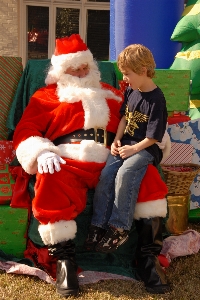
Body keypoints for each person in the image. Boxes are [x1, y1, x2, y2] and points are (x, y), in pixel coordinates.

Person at [13, 34, 123, 298]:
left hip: (113, 158)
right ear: (61, 70)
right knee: (50, 178)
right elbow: (26, 129)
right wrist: (40, 152)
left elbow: (137, 121)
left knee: (147, 176)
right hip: (68, 159)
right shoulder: (46, 96)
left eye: (85, 66)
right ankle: (64, 262)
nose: (82, 72)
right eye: (75, 68)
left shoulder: (114, 94)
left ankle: (148, 257)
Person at [84, 44, 171, 294]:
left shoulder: (156, 98)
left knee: (125, 173)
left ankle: (119, 227)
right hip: (127, 144)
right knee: (107, 173)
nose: (124, 79)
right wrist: (117, 141)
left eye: (128, 73)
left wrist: (133, 150)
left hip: (145, 149)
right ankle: (98, 224)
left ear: (144, 70)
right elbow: (124, 118)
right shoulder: (132, 91)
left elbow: (154, 137)